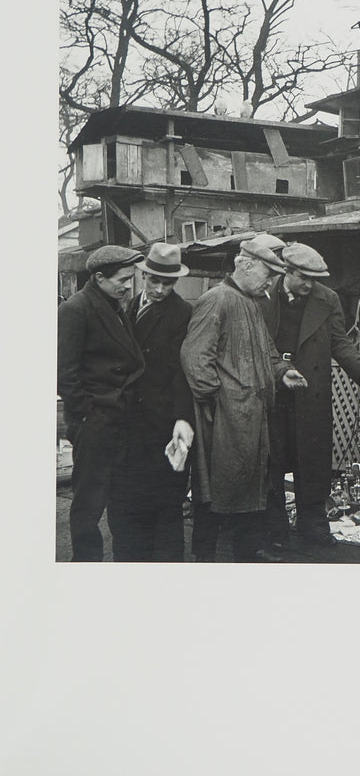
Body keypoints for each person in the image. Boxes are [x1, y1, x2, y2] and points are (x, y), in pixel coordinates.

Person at [180, 235, 307, 562]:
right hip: (226, 417)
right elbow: (195, 359)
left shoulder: (250, 304)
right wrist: (218, 400)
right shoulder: (216, 299)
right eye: (267, 274)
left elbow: (269, 352)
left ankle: (248, 555)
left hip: (251, 416)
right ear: (246, 265)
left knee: (249, 485)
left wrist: (283, 373)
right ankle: (206, 558)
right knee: (217, 489)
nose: (269, 282)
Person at [260, 242, 360, 548]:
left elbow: (339, 342)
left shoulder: (327, 299)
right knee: (270, 462)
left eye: (313, 279)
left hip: (310, 391)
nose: (309, 284)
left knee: (312, 461)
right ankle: (274, 531)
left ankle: (313, 525)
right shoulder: (263, 295)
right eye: (303, 277)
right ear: (286, 271)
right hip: (270, 389)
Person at [57, 244, 145, 561]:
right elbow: (65, 374)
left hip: (118, 418)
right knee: (88, 504)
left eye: (130, 279)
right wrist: (86, 416)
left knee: (121, 496)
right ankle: (84, 566)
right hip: (95, 422)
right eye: (123, 279)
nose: (128, 286)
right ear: (98, 277)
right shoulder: (75, 309)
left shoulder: (113, 304)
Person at [111, 242, 195, 561]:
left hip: (161, 424)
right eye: (154, 280)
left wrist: (182, 417)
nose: (160, 289)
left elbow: (182, 371)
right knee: (129, 508)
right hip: (128, 425)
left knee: (165, 509)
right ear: (143, 275)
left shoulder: (184, 313)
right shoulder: (128, 307)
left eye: (168, 283)